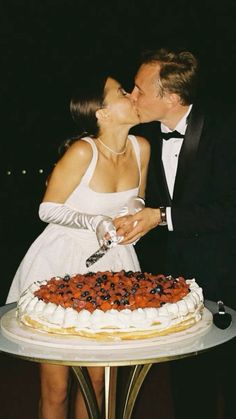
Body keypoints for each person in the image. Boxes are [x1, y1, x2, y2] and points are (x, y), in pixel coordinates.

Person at [6, 73, 150, 419]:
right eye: (121, 92)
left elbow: (139, 199)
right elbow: (47, 208)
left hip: (112, 263)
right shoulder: (83, 151)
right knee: (56, 387)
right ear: (101, 113)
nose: (132, 94)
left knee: (99, 381)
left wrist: (134, 217)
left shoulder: (140, 146)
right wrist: (93, 221)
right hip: (61, 261)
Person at [115, 47, 236, 419]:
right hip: (173, 280)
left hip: (226, 275)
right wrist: (137, 212)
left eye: (139, 89)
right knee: (187, 383)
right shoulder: (144, 139)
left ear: (171, 97)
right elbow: (145, 199)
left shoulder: (224, 129)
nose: (131, 96)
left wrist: (162, 217)